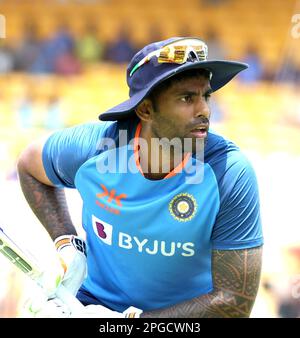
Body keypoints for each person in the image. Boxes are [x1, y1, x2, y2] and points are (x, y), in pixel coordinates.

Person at [17, 37, 263, 318]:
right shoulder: (95, 149)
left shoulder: (229, 173)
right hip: (92, 305)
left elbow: (234, 303)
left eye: (205, 96)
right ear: (145, 109)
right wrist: (66, 242)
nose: (204, 110)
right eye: (186, 98)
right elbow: (29, 166)